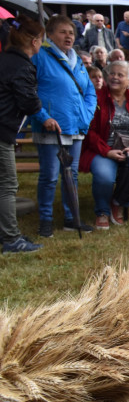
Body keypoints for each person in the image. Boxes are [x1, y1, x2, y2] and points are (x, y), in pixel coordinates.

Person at [29, 15, 98, 237]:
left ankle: (72, 217)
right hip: (51, 126)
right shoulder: (39, 56)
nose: (68, 36)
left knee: (72, 175)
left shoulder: (76, 59)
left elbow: (89, 91)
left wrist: (86, 115)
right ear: (49, 35)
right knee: (49, 176)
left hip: (75, 126)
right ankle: (46, 220)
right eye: (62, 32)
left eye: (71, 32)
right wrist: (42, 116)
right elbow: (28, 91)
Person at [80, 61, 129, 229]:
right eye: (112, 74)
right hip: (102, 148)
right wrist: (107, 152)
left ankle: (119, 202)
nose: (115, 77)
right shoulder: (96, 97)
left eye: (120, 75)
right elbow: (89, 131)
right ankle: (102, 211)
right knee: (105, 176)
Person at [0, 15, 45, 254]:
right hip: (2, 131)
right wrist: (44, 112)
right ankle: (11, 239)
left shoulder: (4, 59)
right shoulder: (22, 65)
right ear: (33, 41)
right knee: (7, 185)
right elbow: (29, 103)